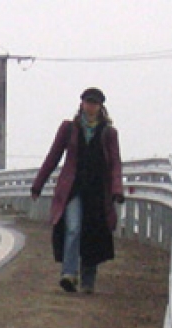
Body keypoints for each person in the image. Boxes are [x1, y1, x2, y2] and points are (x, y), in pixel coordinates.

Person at [30, 87, 125, 294]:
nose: (90, 107)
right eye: (87, 102)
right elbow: (53, 156)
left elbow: (115, 163)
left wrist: (117, 189)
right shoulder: (69, 128)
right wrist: (38, 184)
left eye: (95, 103)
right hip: (73, 189)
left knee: (93, 233)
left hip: (98, 191)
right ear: (81, 104)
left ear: (100, 107)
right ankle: (69, 274)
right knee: (73, 228)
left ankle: (88, 281)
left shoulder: (108, 132)